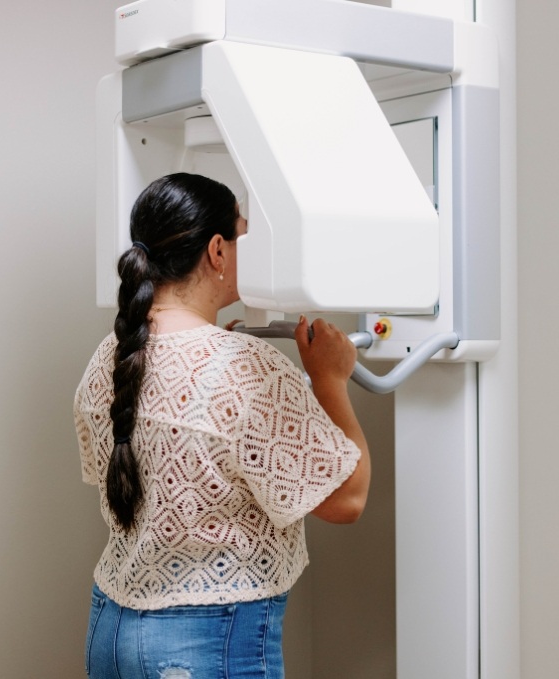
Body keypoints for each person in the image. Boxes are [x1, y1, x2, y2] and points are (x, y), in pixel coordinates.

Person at [74, 173, 370, 679]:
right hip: (204, 643)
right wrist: (329, 379)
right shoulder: (245, 365)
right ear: (217, 250)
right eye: (243, 234)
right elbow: (347, 501)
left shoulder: (112, 354)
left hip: (111, 629)